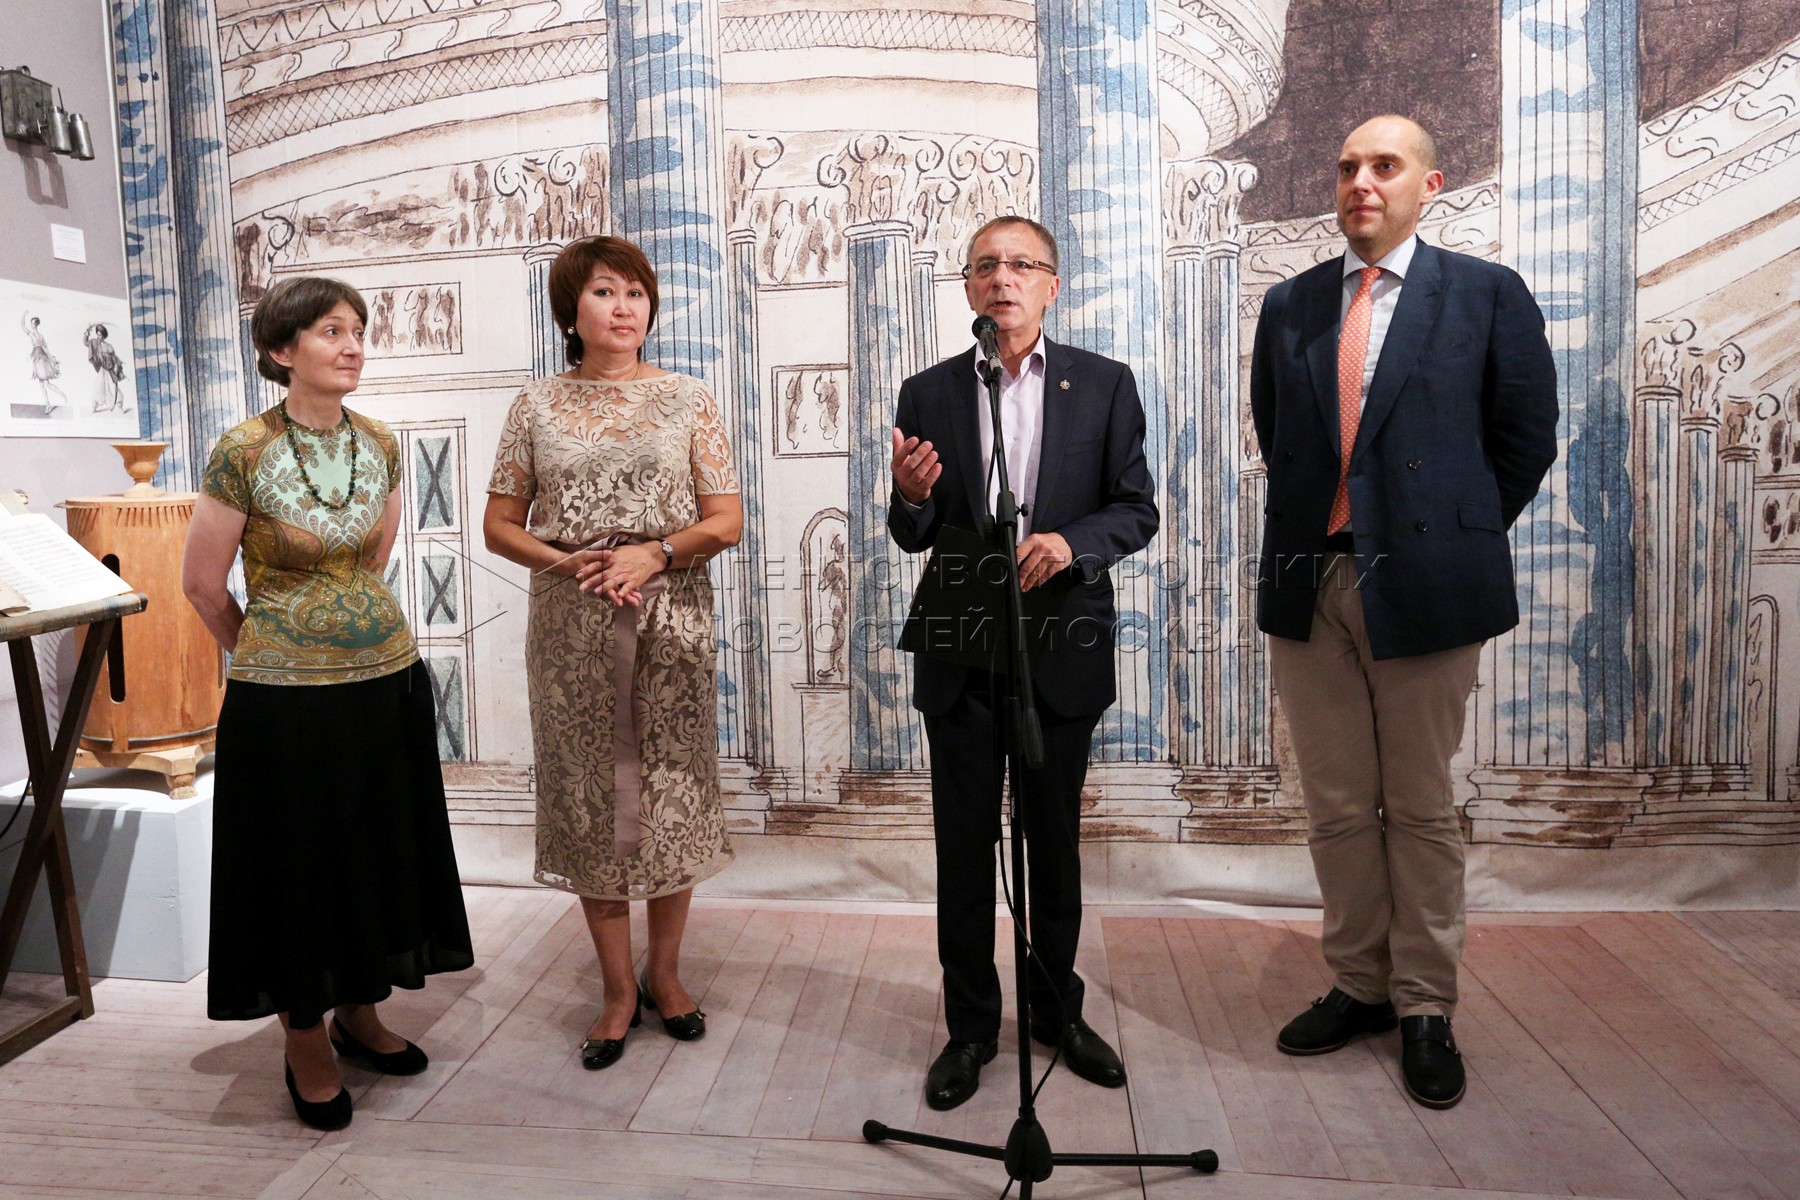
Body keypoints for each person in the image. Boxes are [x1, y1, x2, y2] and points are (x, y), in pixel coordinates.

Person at [1249, 116, 1558, 1109]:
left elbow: (1526, 437)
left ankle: (1426, 1004)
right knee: (1338, 806)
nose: (1361, 182)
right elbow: (1278, 432)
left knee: (1420, 805)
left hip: (1428, 579)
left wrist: (1455, 531)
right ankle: (1360, 985)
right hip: (1312, 579)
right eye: (1348, 166)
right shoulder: (1292, 303)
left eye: (1385, 166)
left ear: (1431, 185)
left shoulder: (1486, 293)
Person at [183, 276, 474, 1132]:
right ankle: (304, 1038)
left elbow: (372, 561)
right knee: (296, 867)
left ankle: (359, 1009)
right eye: (330, 332)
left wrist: (345, 641)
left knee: (375, 852)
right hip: (284, 705)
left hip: (384, 683)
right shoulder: (242, 449)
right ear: (282, 351)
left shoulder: (379, 442)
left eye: (357, 331)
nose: (352, 346)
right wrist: (273, 654)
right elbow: (202, 586)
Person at [888, 215, 1159, 1111]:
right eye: (986, 267)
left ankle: (1055, 1011)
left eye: (1021, 265)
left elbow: (1136, 508)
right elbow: (913, 531)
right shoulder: (927, 390)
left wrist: (1071, 543)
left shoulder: (1105, 384)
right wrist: (910, 496)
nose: (1002, 279)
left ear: (1051, 285)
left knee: (1053, 839)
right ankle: (970, 1027)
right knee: (965, 844)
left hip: (1061, 639)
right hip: (961, 639)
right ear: (969, 287)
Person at [483, 235, 742, 1071]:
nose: (624, 307)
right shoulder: (536, 406)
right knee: (591, 797)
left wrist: (654, 552)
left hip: (671, 618)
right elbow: (498, 525)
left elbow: (726, 520)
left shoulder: (689, 399)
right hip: (573, 625)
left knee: (668, 793)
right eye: (603, 291)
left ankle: (666, 974)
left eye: (635, 292)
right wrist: (575, 564)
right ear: (571, 311)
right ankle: (617, 990)